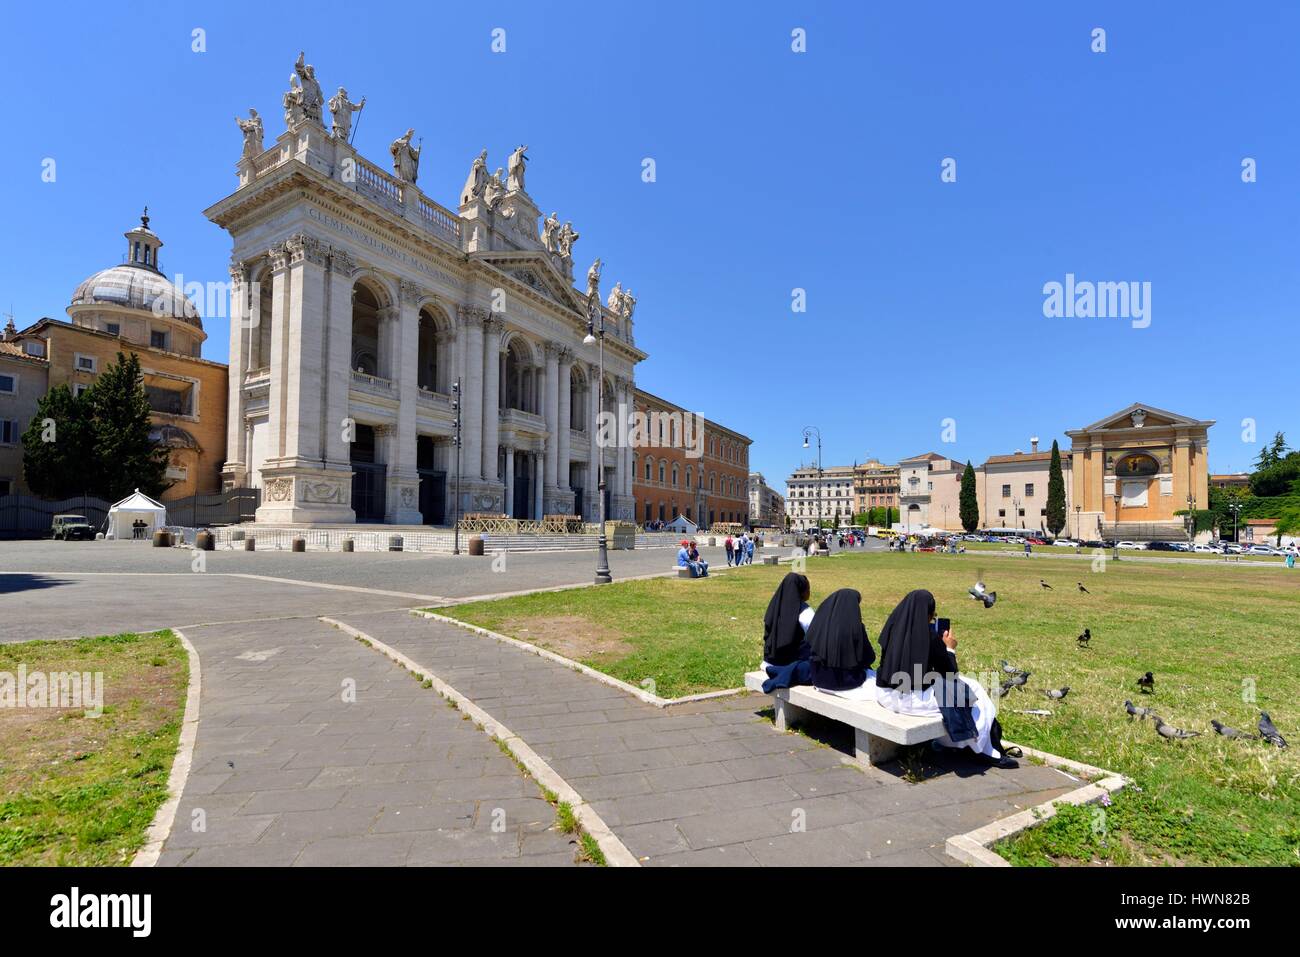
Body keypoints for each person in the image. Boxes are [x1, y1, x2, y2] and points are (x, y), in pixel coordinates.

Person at [874, 590, 1018, 768]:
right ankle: (983, 749)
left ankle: (962, 743)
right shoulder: (929, 636)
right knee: (975, 692)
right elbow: (950, 674)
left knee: (966, 688)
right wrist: (949, 649)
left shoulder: (891, 628)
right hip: (912, 701)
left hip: (885, 695)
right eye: (932, 615)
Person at [805, 588, 877, 691]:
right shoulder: (855, 628)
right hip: (846, 682)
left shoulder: (819, 623)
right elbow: (869, 658)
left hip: (818, 678)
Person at [761, 572, 814, 668]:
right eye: (808, 589)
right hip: (791, 664)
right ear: (801, 592)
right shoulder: (806, 613)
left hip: (769, 661)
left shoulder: (774, 608)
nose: (809, 592)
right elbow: (814, 639)